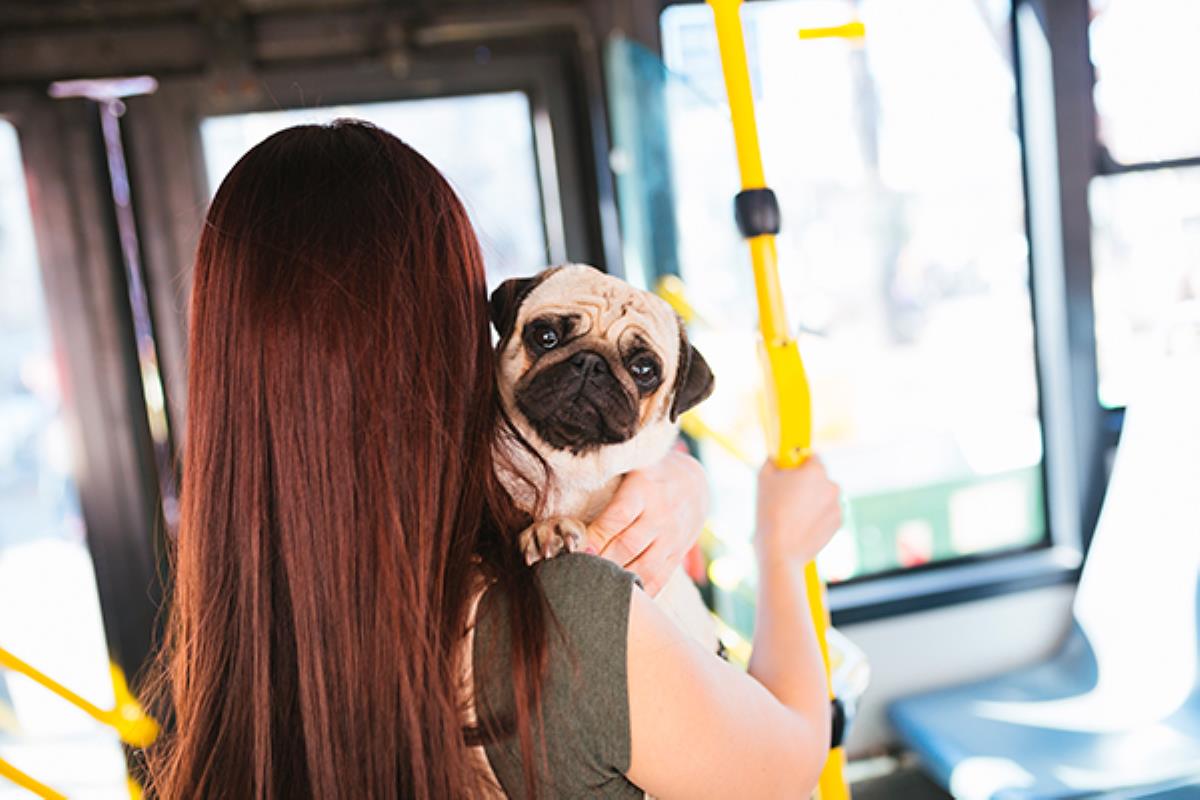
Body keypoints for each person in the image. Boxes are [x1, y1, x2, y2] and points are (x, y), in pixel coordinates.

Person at [145, 119, 841, 798]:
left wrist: (664, 474)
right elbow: (793, 760)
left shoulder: (233, 658)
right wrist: (781, 553)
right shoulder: (561, 621)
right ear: (457, 332)